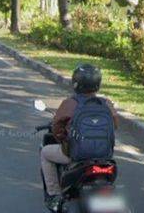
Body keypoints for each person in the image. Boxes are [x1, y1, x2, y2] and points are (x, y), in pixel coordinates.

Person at [41, 64, 118, 211]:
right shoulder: (106, 103)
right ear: (98, 84)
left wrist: (63, 139)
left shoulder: (70, 103)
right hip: (104, 157)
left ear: (76, 82)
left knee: (45, 153)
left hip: (77, 156)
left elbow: (57, 128)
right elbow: (114, 125)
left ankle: (54, 196)